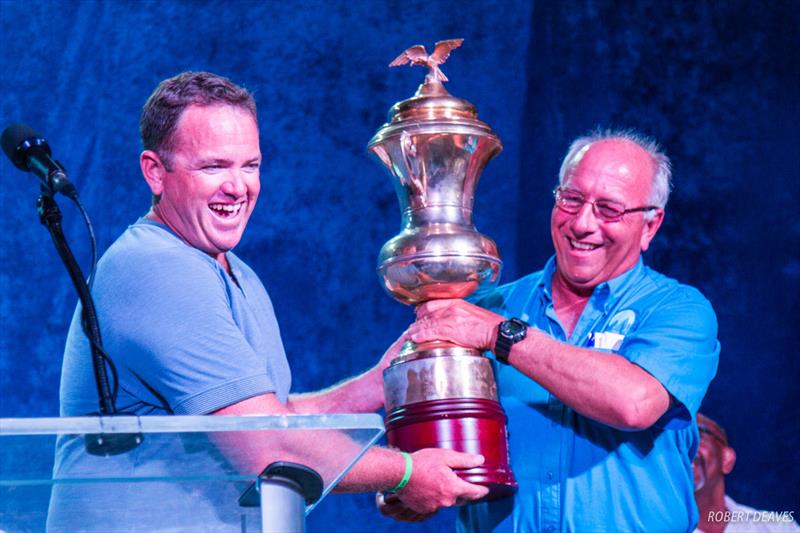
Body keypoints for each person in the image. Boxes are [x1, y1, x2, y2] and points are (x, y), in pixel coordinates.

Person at [47, 71, 487, 531]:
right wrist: (408, 474)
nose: (238, 187)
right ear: (155, 171)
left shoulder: (237, 273)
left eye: (250, 165)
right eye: (213, 166)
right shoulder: (155, 268)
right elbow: (267, 446)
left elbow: (273, 418)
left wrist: (377, 384)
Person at [395, 131, 721, 531]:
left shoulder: (678, 310)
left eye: (609, 210)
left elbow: (633, 403)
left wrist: (502, 336)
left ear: (650, 226)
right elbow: (402, 404)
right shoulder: (488, 309)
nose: (583, 224)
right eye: (572, 200)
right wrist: (403, 478)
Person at [693, 413, 798, 533]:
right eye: (673, 441)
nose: (683, 447)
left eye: (697, 434)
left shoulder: (778, 527)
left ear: (726, 459)